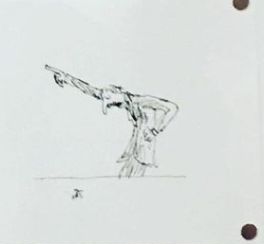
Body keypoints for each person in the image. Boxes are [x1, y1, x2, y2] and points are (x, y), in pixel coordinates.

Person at [45, 66, 179, 178]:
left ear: (118, 92)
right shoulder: (126, 103)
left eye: (109, 97)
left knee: (130, 181)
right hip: (135, 152)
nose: (109, 102)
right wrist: (67, 78)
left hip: (143, 153)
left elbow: (173, 108)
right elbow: (92, 91)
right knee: (124, 178)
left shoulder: (141, 101)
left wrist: (155, 130)